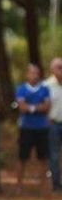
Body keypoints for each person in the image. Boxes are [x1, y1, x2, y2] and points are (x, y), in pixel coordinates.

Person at [15, 63, 50, 194]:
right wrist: (37, 107)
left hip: (42, 128)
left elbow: (46, 107)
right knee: (22, 157)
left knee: (43, 158)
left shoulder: (44, 89)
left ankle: (44, 188)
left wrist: (31, 108)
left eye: (37, 73)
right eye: (32, 73)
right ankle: (19, 187)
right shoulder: (21, 89)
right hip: (26, 128)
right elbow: (22, 107)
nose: (35, 75)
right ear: (27, 74)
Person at [45, 58, 62, 192]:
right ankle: (56, 185)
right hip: (54, 124)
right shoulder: (47, 85)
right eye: (59, 67)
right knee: (54, 155)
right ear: (52, 69)